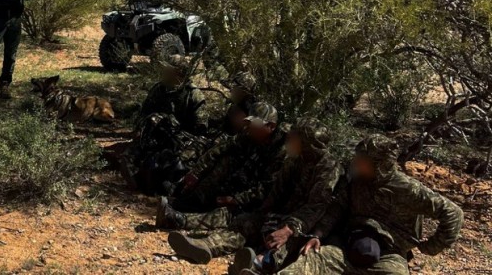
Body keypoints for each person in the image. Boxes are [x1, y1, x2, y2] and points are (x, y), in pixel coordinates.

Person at [167, 117, 341, 270]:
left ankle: (257, 265)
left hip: (302, 227)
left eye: (294, 136)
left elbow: (316, 206)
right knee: (246, 223)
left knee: (282, 244)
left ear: (306, 142)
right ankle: (206, 246)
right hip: (282, 216)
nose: (289, 138)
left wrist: (288, 228)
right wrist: (263, 215)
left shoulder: (328, 167)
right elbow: (276, 192)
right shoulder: (295, 160)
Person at [276, 134, 464, 275]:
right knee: (308, 263)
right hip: (347, 248)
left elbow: (453, 213)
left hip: (389, 255)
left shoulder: (408, 189)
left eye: (362, 160)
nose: (355, 163)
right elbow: (337, 209)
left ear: (380, 164)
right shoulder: (356, 181)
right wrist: (318, 234)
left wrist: (431, 246)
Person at [162, 101, 286, 215]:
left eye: (255, 125)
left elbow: (266, 188)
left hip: (255, 194)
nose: (250, 128)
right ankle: (196, 200)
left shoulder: (281, 150)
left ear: (271, 126)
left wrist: (236, 200)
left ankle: (197, 210)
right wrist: (196, 172)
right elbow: (219, 150)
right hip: (242, 180)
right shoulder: (248, 134)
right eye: (249, 123)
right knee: (227, 159)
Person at [120, 55, 208, 194]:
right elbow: (144, 113)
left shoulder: (193, 95)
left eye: (166, 69)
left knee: (173, 165)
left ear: (178, 72)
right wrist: (144, 126)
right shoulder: (159, 89)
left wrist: (177, 130)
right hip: (158, 136)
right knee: (132, 154)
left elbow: (201, 128)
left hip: (182, 140)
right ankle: (137, 182)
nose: (163, 72)